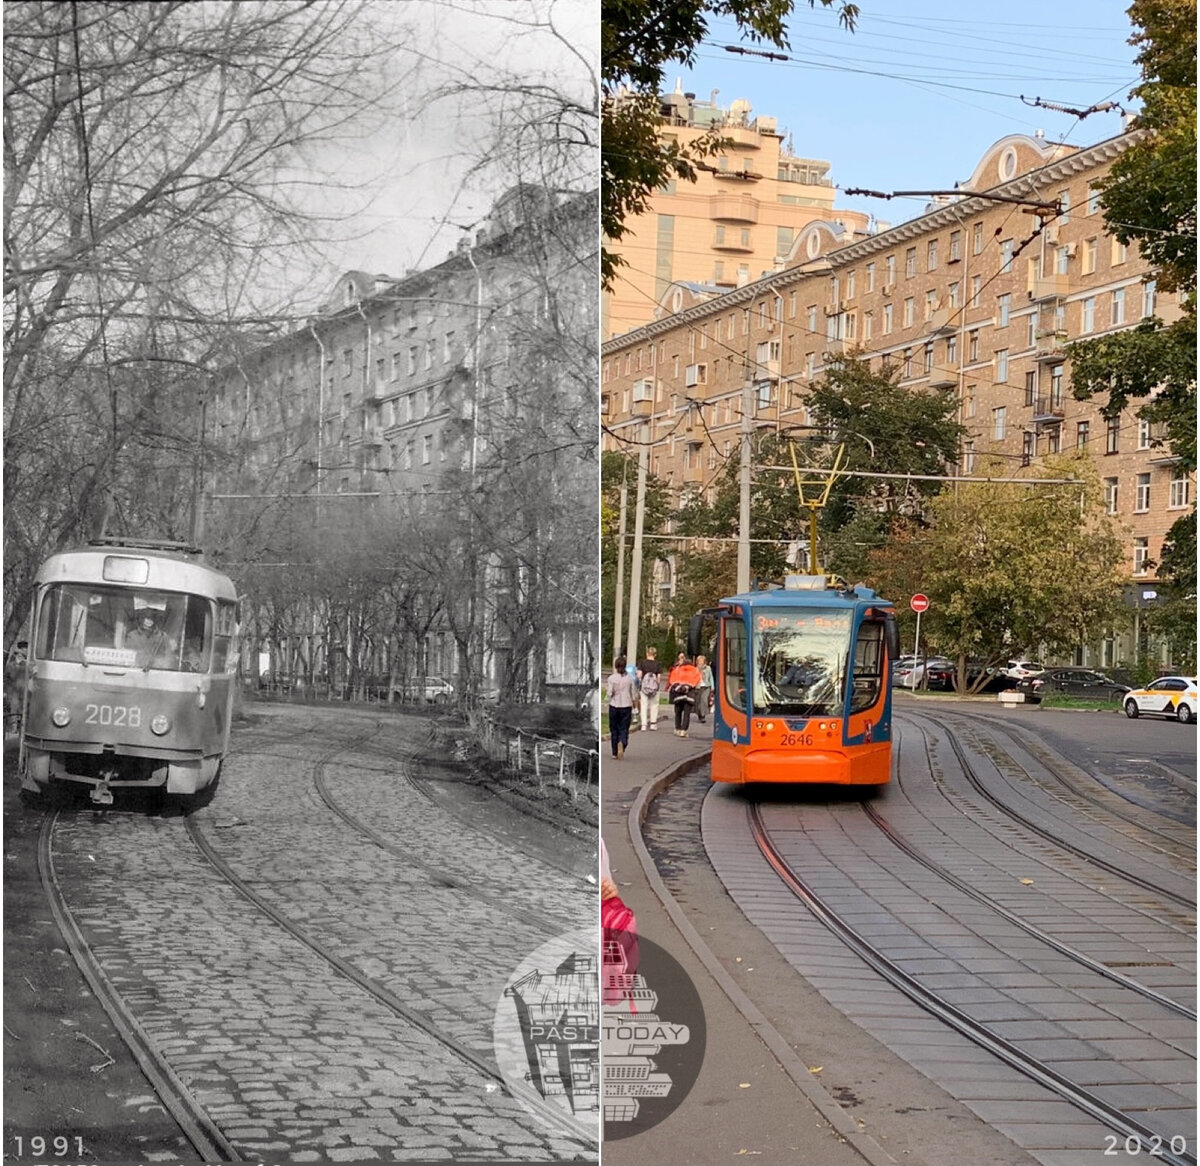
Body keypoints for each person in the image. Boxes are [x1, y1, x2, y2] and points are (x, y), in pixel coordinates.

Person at [605, 655, 635, 759]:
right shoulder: (630, 679)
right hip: (626, 705)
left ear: (616, 666)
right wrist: (635, 706)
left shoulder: (611, 678)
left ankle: (614, 752)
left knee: (614, 729)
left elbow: (609, 693)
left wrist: (605, 701)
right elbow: (633, 693)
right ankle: (622, 742)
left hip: (614, 705)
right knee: (624, 728)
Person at [666, 655, 703, 737]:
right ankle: (683, 730)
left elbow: (672, 681)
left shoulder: (678, 670)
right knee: (687, 713)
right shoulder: (695, 671)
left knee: (678, 712)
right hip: (689, 695)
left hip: (678, 694)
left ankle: (677, 729)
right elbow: (698, 683)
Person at [636, 646, 662, 731]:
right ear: (655, 654)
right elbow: (658, 677)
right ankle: (653, 724)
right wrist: (657, 686)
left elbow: (639, 675)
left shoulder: (642, 663)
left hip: (644, 688)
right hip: (654, 688)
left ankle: (644, 724)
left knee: (644, 705)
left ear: (647, 653)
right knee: (654, 705)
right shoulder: (658, 664)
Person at [694, 654, 714, 724]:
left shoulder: (708, 668)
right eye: (699, 661)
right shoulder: (695, 669)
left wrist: (712, 687)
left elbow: (710, 677)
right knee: (698, 702)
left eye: (702, 661)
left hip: (706, 686)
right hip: (698, 687)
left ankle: (703, 716)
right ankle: (700, 714)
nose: (700, 662)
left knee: (704, 700)